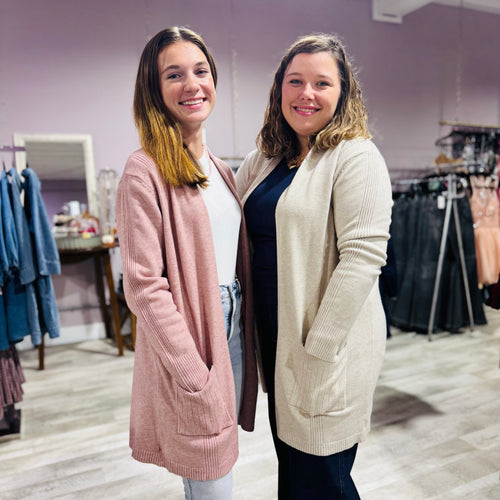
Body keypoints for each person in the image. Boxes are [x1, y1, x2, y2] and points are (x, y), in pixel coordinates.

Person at [235, 33, 393, 499]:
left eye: (322, 83)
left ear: (343, 93)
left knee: (324, 481)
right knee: (293, 472)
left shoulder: (356, 156)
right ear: (279, 89)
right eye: (295, 81)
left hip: (324, 345)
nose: (307, 93)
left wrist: (318, 347)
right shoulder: (265, 159)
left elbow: (363, 256)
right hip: (275, 339)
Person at [115, 27, 258, 500]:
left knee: (221, 459)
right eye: (173, 75)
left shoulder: (221, 169)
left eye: (200, 71)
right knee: (209, 472)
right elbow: (143, 287)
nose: (192, 84)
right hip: (194, 333)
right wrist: (193, 372)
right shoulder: (145, 170)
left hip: (232, 325)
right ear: (153, 89)